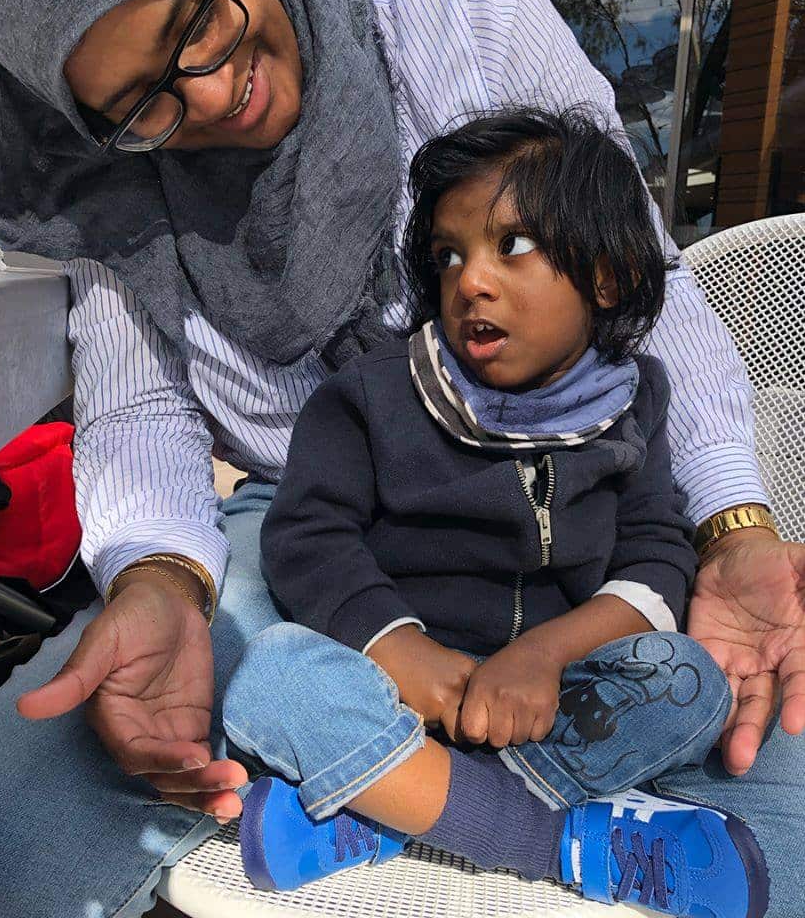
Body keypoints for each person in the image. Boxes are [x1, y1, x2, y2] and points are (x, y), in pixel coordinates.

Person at [0, 0, 805, 916]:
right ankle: (538, 825)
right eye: (137, 103)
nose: (207, 92)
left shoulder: (451, 0)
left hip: (571, 545)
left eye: (195, 21)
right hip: (306, 524)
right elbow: (143, 411)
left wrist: (734, 528)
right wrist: (160, 580)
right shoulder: (106, 184)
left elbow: (642, 287)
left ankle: (397, 796)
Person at [226, 108, 767, 918]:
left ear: (607, 277)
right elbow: (308, 535)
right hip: (394, 691)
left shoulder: (635, 401)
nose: (471, 280)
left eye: (512, 246)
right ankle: (553, 844)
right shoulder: (373, 397)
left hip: (546, 702)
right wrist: (402, 651)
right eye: (449, 256)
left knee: (694, 682)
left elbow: (656, 556)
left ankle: (390, 811)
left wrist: (547, 655)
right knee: (268, 676)